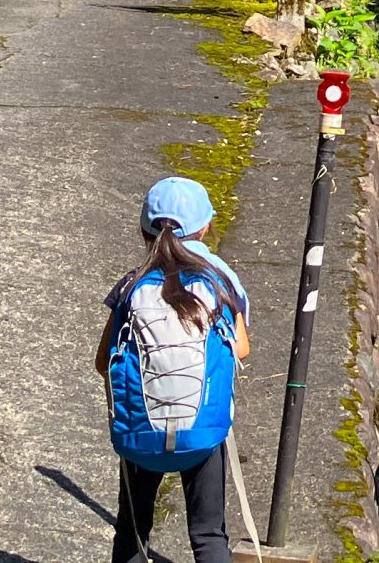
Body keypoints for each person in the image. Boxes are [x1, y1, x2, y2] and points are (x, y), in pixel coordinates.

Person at [95, 176, 251, 563]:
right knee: (208, 534)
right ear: (206, 226)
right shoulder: (218, 280)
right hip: (202, 434)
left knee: (133, 533)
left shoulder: (132, 286)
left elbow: (104, 362)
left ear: (144, 230)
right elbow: (241, 348)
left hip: (140, 438)